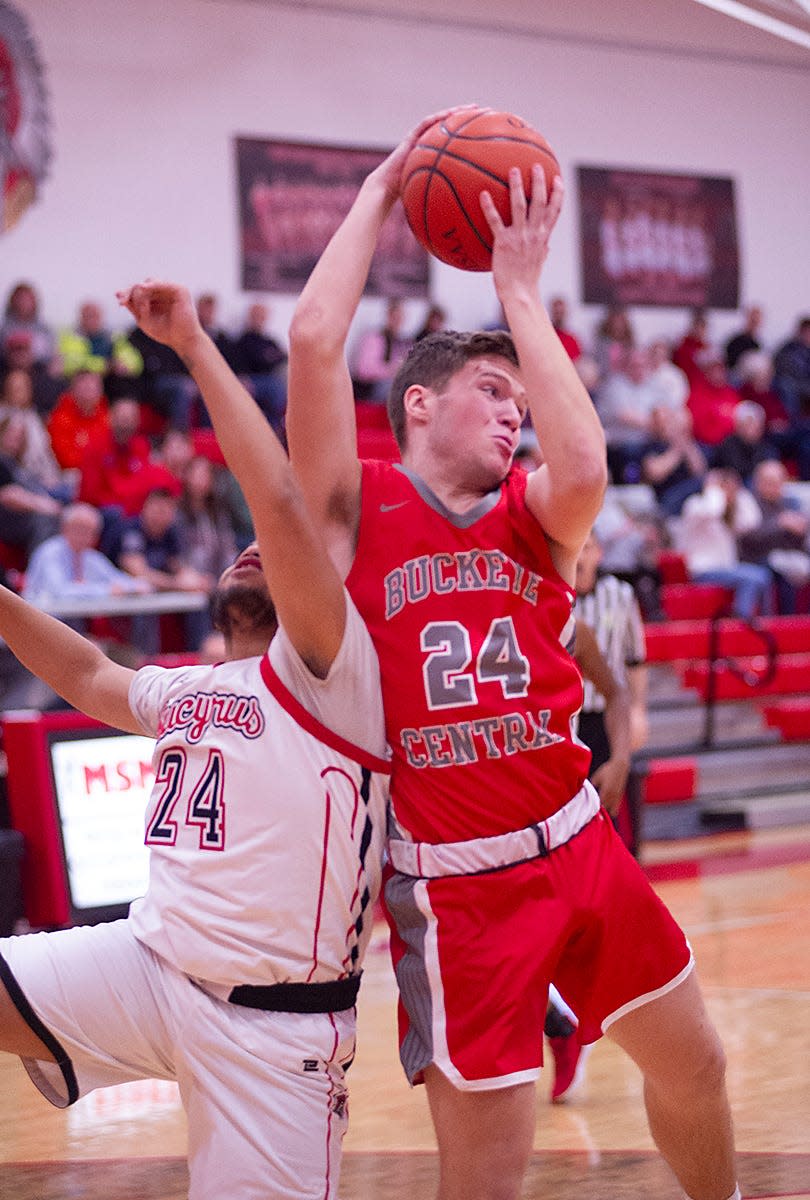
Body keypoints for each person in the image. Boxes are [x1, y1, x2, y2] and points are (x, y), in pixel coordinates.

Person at [286, 109, 741, 1200]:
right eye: (494, 393)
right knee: (489, 1169)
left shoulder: (533, 517)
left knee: (701, 1065)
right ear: (420, 403)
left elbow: (584, 464)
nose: (513, 416)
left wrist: (522, 297)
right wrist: (383, 190)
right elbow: (311, 342)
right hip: (460, 892)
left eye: (521, 401)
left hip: (581, 841)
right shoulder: (359, 513)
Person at [0, 278, 390, 1200]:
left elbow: (281, 500)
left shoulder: (334, 674)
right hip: (148, 964)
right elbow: (91, 675)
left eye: (272, 547)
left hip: (276, 1026)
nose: (255, 549)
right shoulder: (190, 687)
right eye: (241, 549)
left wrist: (194, 346)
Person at [574, 529, 647, 856]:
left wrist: (639, 710)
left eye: (586, 547)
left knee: (608, 805)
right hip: (567, 720)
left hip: (608, 717)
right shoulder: (551, 594)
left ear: (598, 553)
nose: (580, 555)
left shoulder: (620, 594)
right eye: (574, 547)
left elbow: (635, 658)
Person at [674, 468, 773, 620]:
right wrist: (713, 489)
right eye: (723, 487)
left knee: (763, 575)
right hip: (702, 570)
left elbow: (752, 521)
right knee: (753, 577)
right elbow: (712, 510)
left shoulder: (729, 512)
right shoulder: (695, 505)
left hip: (726, 568)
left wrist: (739, 492)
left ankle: (765, 623)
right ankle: (741, 622)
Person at [22, 501, 151, 611]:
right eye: (79, 529)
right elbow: (60, 593)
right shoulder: (50, 552)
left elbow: (117, 580)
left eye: (90, 532)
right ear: (64, 528)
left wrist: (135, 587)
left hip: (72, 623)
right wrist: (105, 591)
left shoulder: (90, 557)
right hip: (39, 623)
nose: (84, 536)